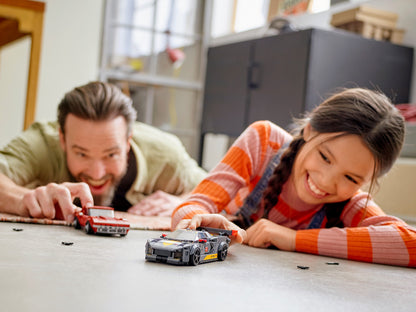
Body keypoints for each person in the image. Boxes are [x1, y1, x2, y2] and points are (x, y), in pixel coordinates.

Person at [172, 88, 416, 268]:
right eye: (325, 157)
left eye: (351, 178)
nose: (326, 181)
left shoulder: (352, 203)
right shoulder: (264, 142)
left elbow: (411, 244)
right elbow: (189, 209)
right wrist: (197, 220)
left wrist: (294, 239)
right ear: (309, 129)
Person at [0, 81, 206, 223]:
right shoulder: (40, 143)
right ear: (62, 139)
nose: (97, 174)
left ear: (128, 141)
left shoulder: (166, 154)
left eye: (111, 155)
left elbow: (224, 191)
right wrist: (23, 199)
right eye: (81, 154)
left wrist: (186, 202)